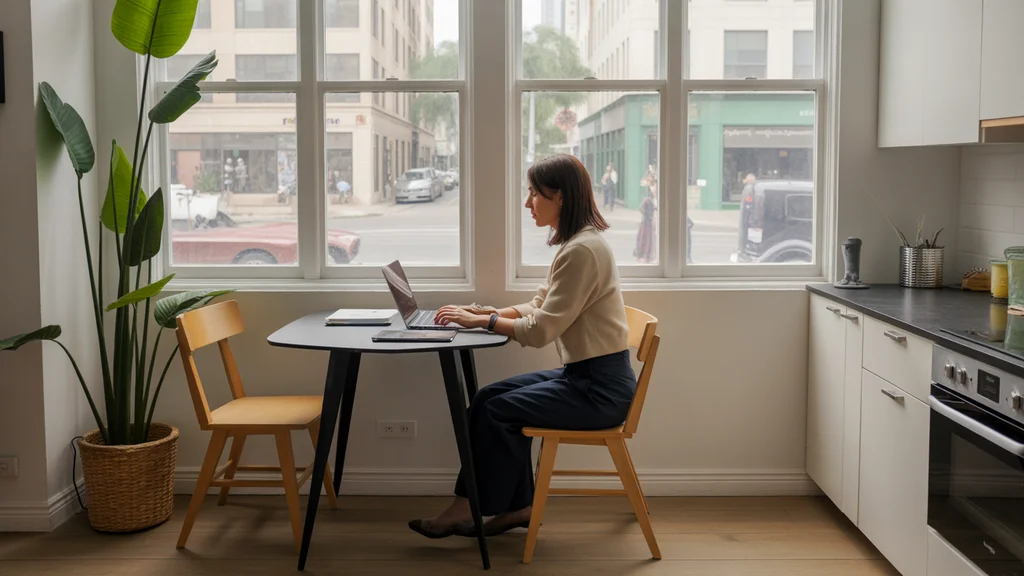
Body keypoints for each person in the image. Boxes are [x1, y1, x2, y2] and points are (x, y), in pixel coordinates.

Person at [407, 154, 637, 539]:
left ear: (559, 196)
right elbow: (540, 305)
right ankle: (515, 506)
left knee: (497, 411)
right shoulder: (577, 245)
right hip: (585, 377)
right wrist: (484, 312)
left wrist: (484, 321)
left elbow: (540, 331)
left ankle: (480, 507)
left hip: (599, 390)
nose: (528, 203)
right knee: (486, 399)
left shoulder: (583, 252)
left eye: (534, 193)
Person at [634, 168, 658, 263]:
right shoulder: (648, 200)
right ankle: (644, 255)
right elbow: (641, 208)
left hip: (649, 220)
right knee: (645, 238)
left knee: (648, 238)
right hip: (646, 221)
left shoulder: (652, 200)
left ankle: (647, 255)